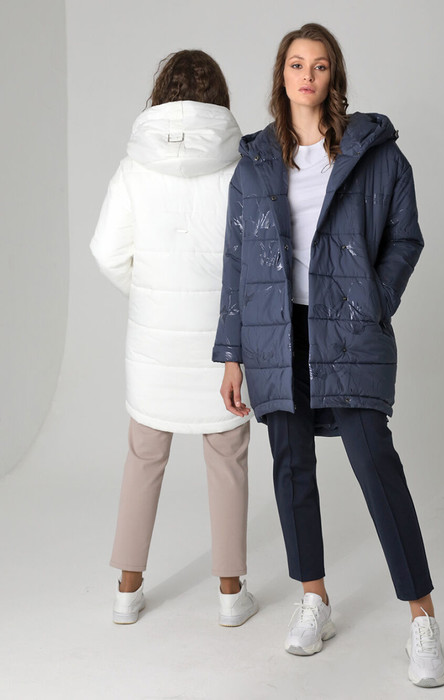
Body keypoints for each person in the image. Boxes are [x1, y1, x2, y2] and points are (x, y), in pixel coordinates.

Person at [213, 24, 444, 687]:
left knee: (375, 463)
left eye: (318, 65)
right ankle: (313, 598)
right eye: (296, 64)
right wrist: (231, 354)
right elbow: (235, 261)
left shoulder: (376, 155)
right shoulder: (255, 161)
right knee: (291, 466)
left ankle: (422, 619)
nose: (307, 76)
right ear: (281, 76)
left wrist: (374, 298)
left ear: (332, 76)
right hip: (275, 330)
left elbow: (405, 237)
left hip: (346, 326)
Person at [90, 50, 257, 628]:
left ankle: (126, 591)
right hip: (222, 345)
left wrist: (149, 293)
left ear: (161, 92)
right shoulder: (241, 167)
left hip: (154, 347)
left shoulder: (134, 167)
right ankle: (231, 595)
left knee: (144, 458)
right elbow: (256, 259)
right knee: (228, 458)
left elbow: (106, 251)